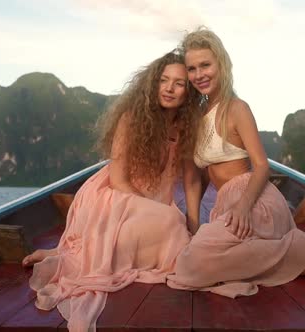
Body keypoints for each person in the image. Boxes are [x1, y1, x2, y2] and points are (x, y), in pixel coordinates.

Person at [22, 51, 200, 332]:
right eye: (163, 80)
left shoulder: (188, 127)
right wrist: (154, 211)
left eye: (179, 83)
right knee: (168, 223)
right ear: (152, 83)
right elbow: (118, 178)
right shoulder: (132, 118)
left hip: (151, 206)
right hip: (114, 198)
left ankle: (66, 254)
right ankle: (63, 258)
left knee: (180, 236)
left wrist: (195, 227)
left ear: (188, 92)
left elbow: (191, 182)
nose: (169, 88)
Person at [167, 27, 305, 298]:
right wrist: (194, 228)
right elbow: (194, 179)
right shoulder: (196, 116)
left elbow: (261, 165)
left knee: (190, 267)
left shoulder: (237, 108)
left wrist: (243, 207)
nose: (199, 75)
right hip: (227, 204)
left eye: (205, 65)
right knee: (190, 254)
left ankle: (298, 248)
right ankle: (299, 262)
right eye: (192, 69)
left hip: (254, 201)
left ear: (221, 64)